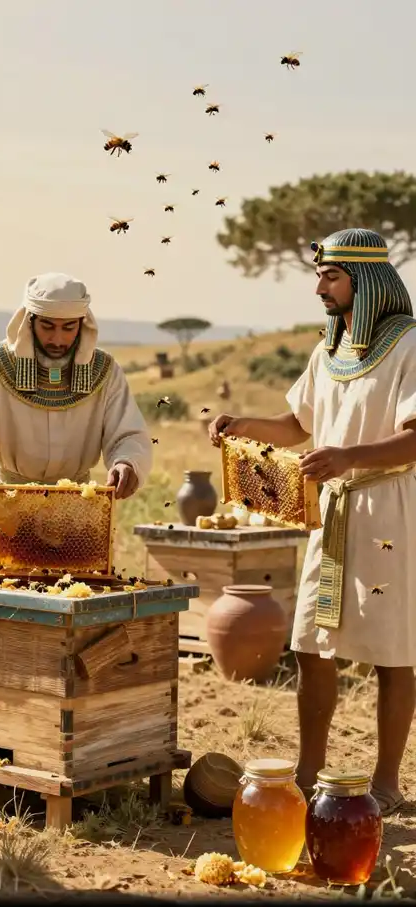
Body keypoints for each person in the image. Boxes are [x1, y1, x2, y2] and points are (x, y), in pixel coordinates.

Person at [209, 228, 416, 815]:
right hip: (328, 513)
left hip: (389, 509)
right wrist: (244, 424)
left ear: (366, 280)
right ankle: (308, 772)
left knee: (394, 649)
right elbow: (298, 425)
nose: (318, 287)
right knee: (310, 645)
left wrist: (350, 457)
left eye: (331, 276)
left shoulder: (410, 346)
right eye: (319, 276)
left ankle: (386, 783)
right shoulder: (328, 346)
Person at [0, 272, 152, 564]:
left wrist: (127, 462)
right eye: (48, 326)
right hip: (9, 511)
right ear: (30, 321)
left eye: (68, 328)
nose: (57, 339)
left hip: (77, 514)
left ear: (82, 324)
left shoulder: (106, 371)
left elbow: (128, 434)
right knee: (4, 600)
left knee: (75, 598)